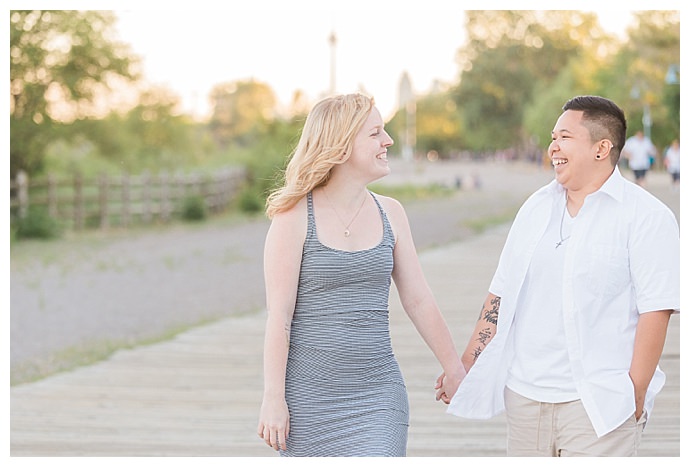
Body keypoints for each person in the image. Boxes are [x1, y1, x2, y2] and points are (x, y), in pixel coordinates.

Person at [437, 95, 680, 456]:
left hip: (600, 405)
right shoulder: (535, 208)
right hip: (524, 400)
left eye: (564, 137)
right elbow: (500, 295)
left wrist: (635, 392)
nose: (553, 147)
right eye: (553, 138)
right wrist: (466, 365)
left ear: (601, 148)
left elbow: (655, 311)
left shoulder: (647, 217)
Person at [257, 93, 464, 457]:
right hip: (308, 401)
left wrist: (454, 367)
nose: (389, 141)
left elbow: (418, 299)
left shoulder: (392, 213)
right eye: (375, 133)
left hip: (378, 397)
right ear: (340, 145)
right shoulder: (292, 219)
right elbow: (280, 319)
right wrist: (273, 399)